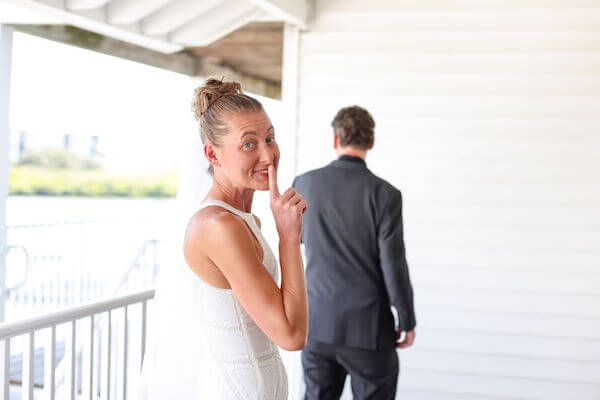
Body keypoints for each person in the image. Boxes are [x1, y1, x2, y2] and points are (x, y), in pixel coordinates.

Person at [137, 78, 308, 399]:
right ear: (212, 155)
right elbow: (291, 335)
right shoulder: (217, 225)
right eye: (249, 144)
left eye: (270, 138)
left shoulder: (246, 220)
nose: (268, 155)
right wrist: (289, 237)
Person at [293, 106, 416, 400]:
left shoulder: (304, 184)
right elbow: (393, 263)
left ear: (335, 140)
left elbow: (297, 239)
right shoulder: (386, 194)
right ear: (370, 142)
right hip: (369, 331)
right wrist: (406, 317)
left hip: (318, 325)